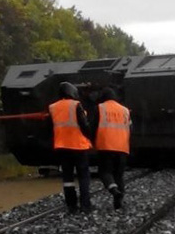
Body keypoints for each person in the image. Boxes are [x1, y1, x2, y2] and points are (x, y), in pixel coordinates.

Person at [48, 81, 93, 213]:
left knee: (67, 178)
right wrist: (91, 137)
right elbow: (84, 125)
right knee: (84, 176)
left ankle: (71, 206)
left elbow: (49, 127)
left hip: (62, 147)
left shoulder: (52, 107)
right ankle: (86, 206)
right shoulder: (76, 105)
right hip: (78, 146)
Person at [94, 87, 130, 210]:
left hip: (106, 146)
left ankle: (114, 190)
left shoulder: (100, 108)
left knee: (105, 172)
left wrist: (93, 142)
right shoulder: (125, 110)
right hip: (122, 147)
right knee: (119, 175)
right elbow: (130, 128)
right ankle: (118, 203)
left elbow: (93, 127)